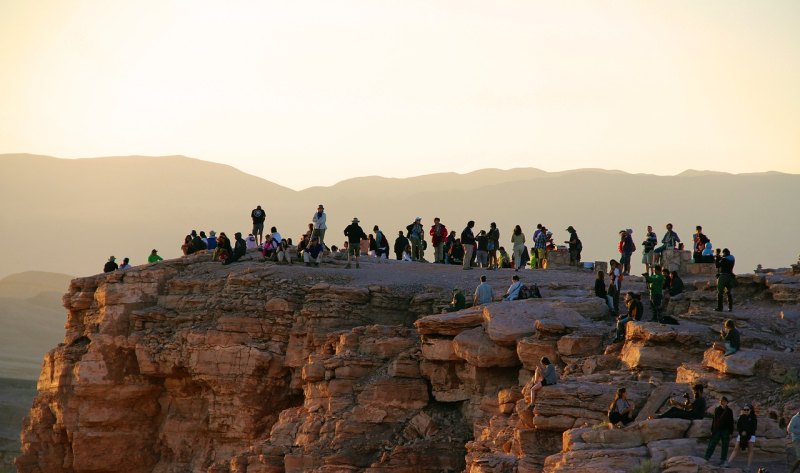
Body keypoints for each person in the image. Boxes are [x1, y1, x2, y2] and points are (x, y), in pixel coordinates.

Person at [705, 396, 734, 467]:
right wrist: (712, 430)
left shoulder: (729, 411)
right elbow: (714, 420)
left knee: (725, 446)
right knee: (712, 444)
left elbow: (731, 422)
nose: (722, 402)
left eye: (723, 401)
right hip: (717, 430)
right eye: (721, 400)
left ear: (726, 402)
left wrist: (731, 432)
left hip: (725, 430)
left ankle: (723, 460)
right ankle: (706, 458)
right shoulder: (717, 409)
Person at [727, 404, 757, 470]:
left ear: (750, 410)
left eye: (747, 410)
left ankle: (748, 466)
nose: (746, 411)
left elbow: (754, 427)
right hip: (741, 435)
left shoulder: (753, 417)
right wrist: (742, 432)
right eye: (744, 409)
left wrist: (746, 432)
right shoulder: (742, 417)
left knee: (750, 450)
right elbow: (738, 426)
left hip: (750, 435)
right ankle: (729, 462)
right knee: (736, 448)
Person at [716, 248, 736, 312]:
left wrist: (717, 258)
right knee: (728, 292)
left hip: (723, 277)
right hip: (730, 277)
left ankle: (720, 307)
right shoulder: (732, 259)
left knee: (720, 292)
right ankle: (730, 308)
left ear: (724, 253)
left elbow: (717, 265)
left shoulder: (724, 259)